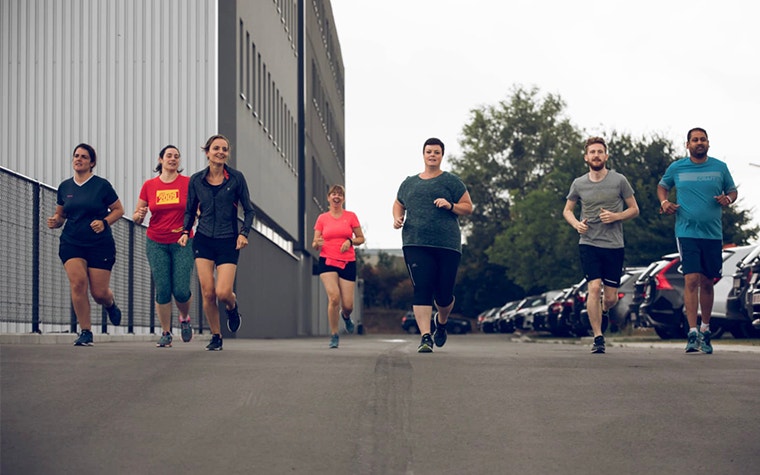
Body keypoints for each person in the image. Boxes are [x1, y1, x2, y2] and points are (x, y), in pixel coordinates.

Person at [658, 127, 737, 355]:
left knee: (707, 281)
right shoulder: (677, 167)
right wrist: (665, 203)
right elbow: (663, 186)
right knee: (691, 278)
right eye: (695, 140)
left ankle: (706, 329)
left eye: (702, 139)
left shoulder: (719, 167)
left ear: (708, 144)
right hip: (686, 232)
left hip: (712, 234)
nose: (699, 143)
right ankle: (692, 332)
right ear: (688, 144)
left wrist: (728, 199)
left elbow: (732, 191)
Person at [393, 137, 473, 353]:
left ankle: (442, 323)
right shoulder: (409, 182)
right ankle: (425, 337)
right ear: (423, 154)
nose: (432, 155)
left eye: (436, 152)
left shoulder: (452, 181)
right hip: (415, 243)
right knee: (422, 288)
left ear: (441, 156)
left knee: (444, 295)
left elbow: (468, 207)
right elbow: (398, 204)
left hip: (447, 244)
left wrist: (450, 205)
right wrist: (397, 218)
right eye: (429, 151)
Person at [563, 136, 639, 354]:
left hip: (614, 245)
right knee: (594, 288)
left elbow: (634, 209)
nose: (596, 155)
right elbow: (567, 210)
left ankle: (604, 310)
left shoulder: (619, 180)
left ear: (606, 155)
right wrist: (577, 224)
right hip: (588, 242)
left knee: (611, 297)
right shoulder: (579, 183)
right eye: (592, 152)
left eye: (600, 152)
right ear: (586, 157)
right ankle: (598, 337)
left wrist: (616, 216)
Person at [178, 134, 254, 351]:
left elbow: (249, 211)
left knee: (222, 292)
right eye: (216, 148)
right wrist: (185, 231)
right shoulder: (196, 180)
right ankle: (216, 336)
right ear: (207, 152)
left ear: (227, 154)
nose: (220, 152)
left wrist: (244, 233)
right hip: (203, 239)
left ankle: (232, 306)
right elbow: (190, 210)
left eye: (224, 149)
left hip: (228, 240)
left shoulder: (236, 178)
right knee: (208, 291)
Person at [47, 143, 125, 346]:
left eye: (83, 156)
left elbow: (118, 210)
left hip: (100, 244)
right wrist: (56, 221)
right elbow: (61, 214)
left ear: (92, 162)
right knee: (78, 283)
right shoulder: (65, 187)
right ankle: (85, 331)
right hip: (72, 242)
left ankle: (109, 304)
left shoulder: (102, 185)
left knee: (98, 293)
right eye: (76, 156)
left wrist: (104, 222)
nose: (78, 159)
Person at [133, 145, 195, 348]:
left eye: (177, 156)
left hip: (182, 241)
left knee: (181, 290)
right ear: (160, 160)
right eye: (169, 155)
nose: (173, 159)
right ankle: (166, 332)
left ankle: (184, 318)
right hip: (156, 241)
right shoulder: (149, 185)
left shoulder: (188, 183)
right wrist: (138, 216)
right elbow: (137, 215)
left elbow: (198, 208)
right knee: (162, 288)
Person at [312, 185, 365, 348]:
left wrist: (349, 241)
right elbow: (315, 243)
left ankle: (346, 316)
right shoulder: (322, 218)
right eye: (333, 194)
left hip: (347, 261)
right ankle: (334, 334)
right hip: (327, 260)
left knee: (348, 305)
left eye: (340, 194)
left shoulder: (350, 217)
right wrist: (317, 243)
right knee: (334, 297)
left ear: (343, 199)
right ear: (328, 198)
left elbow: (361, 238)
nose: (337, 197)